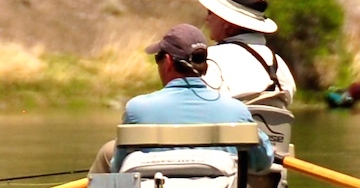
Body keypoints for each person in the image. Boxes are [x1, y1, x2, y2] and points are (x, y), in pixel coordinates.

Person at [91, 24, 273, 175]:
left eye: (158, 58)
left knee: (108, 153)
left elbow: (117, 170)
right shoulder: (236, 111)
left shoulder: (138, 109)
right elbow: (262, 162)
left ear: (168, 61)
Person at [196, 0, 299, 154]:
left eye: (210, 13)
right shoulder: (278, 64)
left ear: (227, 24)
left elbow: (200, 110)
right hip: (270, 170)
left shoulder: (210, 59)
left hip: (224, 164)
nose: (207, 19)